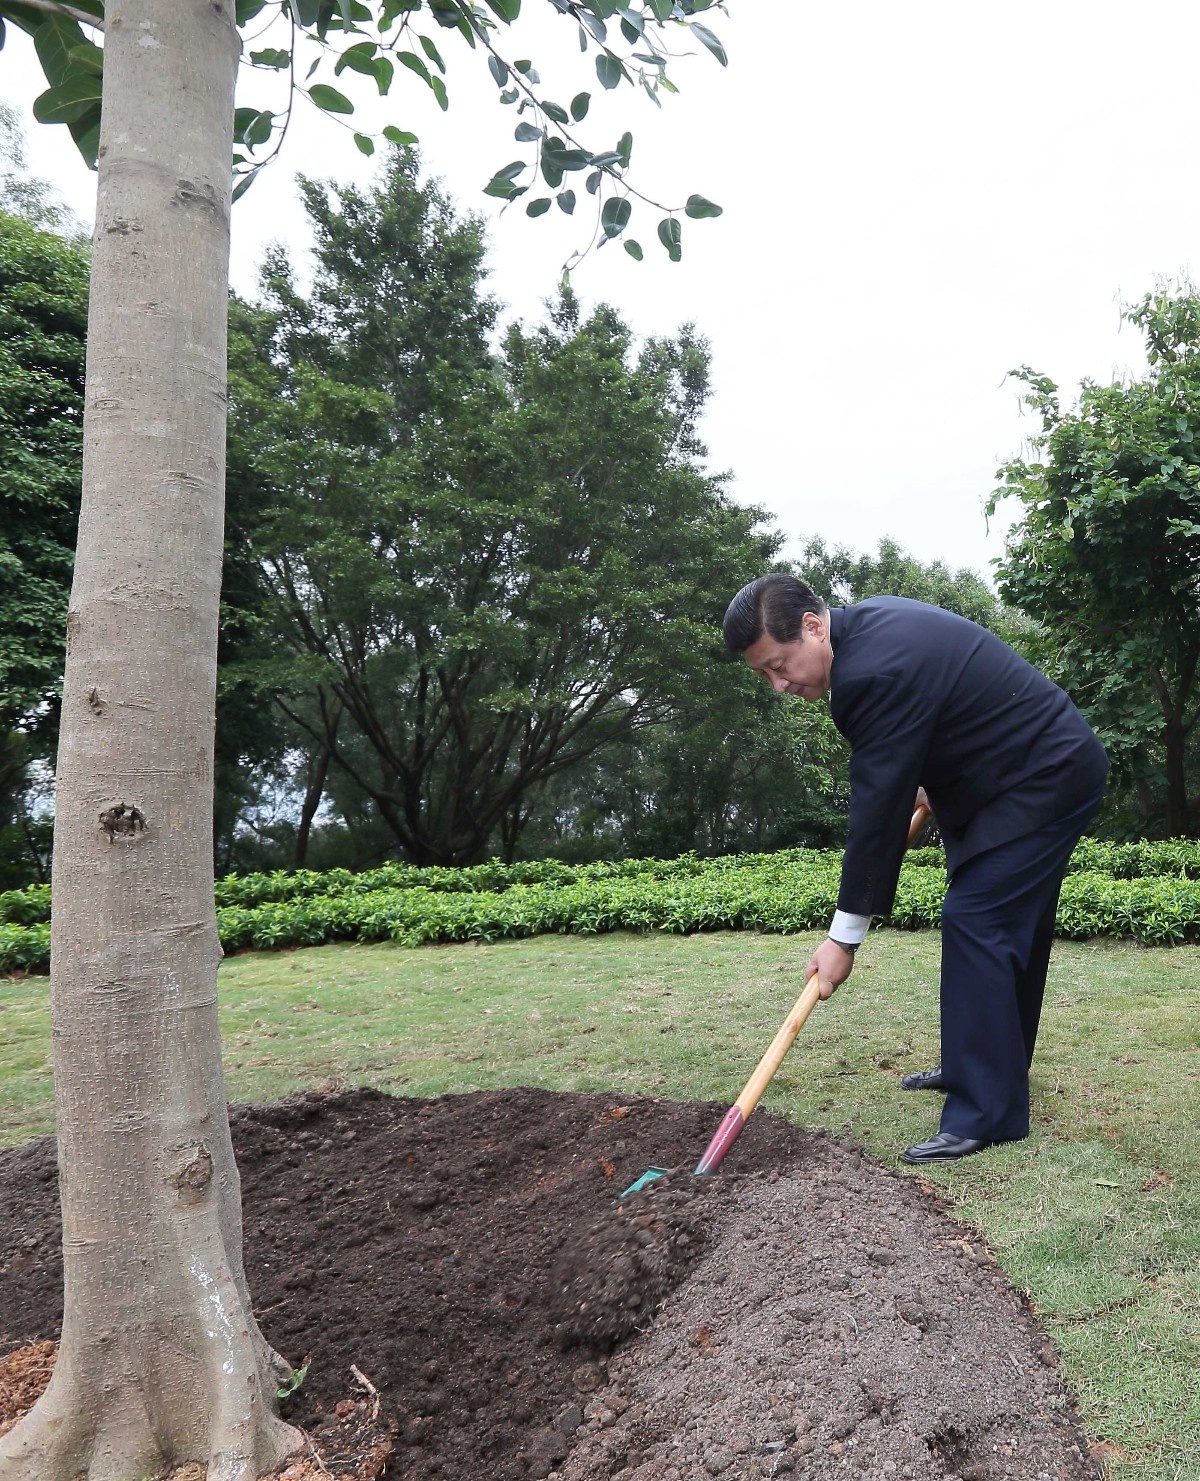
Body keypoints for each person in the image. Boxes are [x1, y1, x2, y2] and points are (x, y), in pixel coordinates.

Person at [722, 575, 1108, 1164]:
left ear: (813, 625)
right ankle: (975, 1068)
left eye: (779, 664)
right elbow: (932, 719)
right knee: (1000, 924)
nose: (779, 684)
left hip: (1044, 777)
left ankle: (989, 1112)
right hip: (1005, 778)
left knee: (979, 918)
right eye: (763, 675)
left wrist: (843, 937)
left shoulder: (869, 672)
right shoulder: (869, 635)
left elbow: (877, 813)